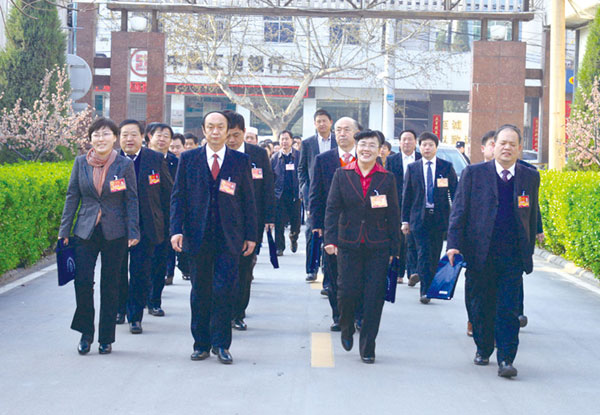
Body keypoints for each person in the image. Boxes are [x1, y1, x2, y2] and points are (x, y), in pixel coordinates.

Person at [446, 124, 540, 378]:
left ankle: (506, 358)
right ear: (493, 146)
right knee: (480, 305)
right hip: (480, 253)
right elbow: (459, 211)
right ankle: (483, 347)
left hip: (512, 255)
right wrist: (453, 244)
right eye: (503, 143)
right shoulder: (474, 173)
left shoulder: (529, 176)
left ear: (519, 148)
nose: (507, 148)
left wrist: (530, 247)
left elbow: (532, 213)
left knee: (508, 308)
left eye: (512, 144)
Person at [170, 111, 257, 364]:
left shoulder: (240, 161)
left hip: (229, 237)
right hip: (197, 235)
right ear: (204, 130)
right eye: (211, 127)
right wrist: (176, 230)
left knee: (224, 290)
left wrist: (251, 235)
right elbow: (178, 197)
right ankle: (201, 344)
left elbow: (248, 200)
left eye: (220, 127)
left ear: (228, 130)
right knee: (200, 291)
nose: (216, 131)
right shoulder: (189, 159)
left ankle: (221, 344)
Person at [58, 117, 140, 355]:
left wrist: (133, 230)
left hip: (115, 231)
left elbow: (131, 198)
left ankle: (106, 337)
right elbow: (72, 196)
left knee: (110, 284)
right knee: (83, 281)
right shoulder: (80, 162)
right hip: (85, 230)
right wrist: (64, 231)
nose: (100, 139)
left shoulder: (124, 165)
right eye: (96, 134)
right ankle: (86, 333)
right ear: (90, 139)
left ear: (114, 138)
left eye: (105, 134)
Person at [324, 130, 400, 363]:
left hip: (378, 246)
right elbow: (332, 209)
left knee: (374, 297)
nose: (367, 149)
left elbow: (393, 214)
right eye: (363, 145)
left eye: (372, 145)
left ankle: (368, 346)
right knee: (347, 291)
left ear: (380, 150)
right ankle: (346, 326)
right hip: (348, 243)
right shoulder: (342, 174)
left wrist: (395, 250)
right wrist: (330, 240)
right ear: (356, 148)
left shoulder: (387, 178)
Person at [115, 119, 173, 333]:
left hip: (146, 227)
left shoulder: (154, 159)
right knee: (118, 271)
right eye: (124, 135)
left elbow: (168, 193)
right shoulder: (112, 159)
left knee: (140, 272)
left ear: (143, 137)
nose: (129, 139)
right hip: (118, 226)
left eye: (133, 135)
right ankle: (119, 309)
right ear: (118, 138)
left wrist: (168, 225)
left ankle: (135, 316)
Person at [224, 110, 275, 331]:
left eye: (236, 135)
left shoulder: (258, 155)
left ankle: (238, 313)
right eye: (227, 135)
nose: (231, 140)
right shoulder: (217, 155)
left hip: (251, 221)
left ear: (244, 132)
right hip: (223, 222)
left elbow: (268, 187)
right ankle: (222, 312)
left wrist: (270, 217)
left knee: (245, 269)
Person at [309, 117, 359, 332]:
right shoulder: (323, 160)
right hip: (333, 227)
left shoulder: (366, 157)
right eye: (338, 130)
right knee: (334, 274)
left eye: (347, 130)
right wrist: (316, 223)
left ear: (356, 133)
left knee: (358, 274)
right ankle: (338, 316)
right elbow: (315, 193)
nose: (342, 134)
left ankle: (358, 315)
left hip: (360, 227)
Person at [401, 132, 457, 304]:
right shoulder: (413, 168)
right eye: (424, 145)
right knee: (423, 252)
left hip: (439, 218)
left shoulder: (446, 167)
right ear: (419, 147)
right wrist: (405, 220)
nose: (427, 148)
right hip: (419, 218)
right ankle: (425, 291)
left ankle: (430, 284)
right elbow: (407, 196)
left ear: (436, 147)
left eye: (430, 145)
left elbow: (455, 193)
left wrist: (456, 218)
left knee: (434, 253)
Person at [298, 109, 336, 281]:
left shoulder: (338, 141)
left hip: (334, 193)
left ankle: (328, 270)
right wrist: (305, 191)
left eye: (324, 121)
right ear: (314, 124)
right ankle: (311, 268)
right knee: (312, 231)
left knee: (331, 233)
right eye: (318, 121)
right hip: (314, 195)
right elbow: (302, 169)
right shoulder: (308, 143)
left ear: (330, 122)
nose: (321, 124)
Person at [146, 123, 179, 305]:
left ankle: (155, 300)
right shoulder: (141, 159)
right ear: (149, 137)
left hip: (165, 219)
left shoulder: (176, 162)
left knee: (160, 260)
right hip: (144, 217)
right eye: (158, 135)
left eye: (166, 136)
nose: (162, 139)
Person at [385, 130, 422, 285]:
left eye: (410, 139)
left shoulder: (421, 158)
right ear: (399, 143)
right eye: (404, 140)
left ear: (415, 142)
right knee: (399, 238)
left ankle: (413, 272)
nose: (407, 142)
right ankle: (400, 272)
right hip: (397, 203)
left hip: (416, 203)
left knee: (413, 239)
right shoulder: (391, 160)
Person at [271, 130, 301, 256]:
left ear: (291, 140)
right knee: (279, 223)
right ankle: (279, 247)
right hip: (279, 195)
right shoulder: (274, 158)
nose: (284, 142)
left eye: (286, 139)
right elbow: (271, 177)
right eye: (282, 139)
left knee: (296, 223)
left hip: (295, 195)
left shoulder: (299, 156)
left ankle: (293, 237)